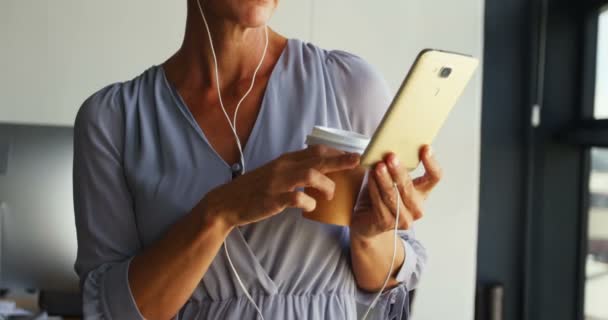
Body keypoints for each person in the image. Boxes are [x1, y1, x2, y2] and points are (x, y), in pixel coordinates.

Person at [73, 0, 440, 319]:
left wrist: (368, 237)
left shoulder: (349, 86)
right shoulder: (113, 120)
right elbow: (111, 309)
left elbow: (390, 282)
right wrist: (220, 211)